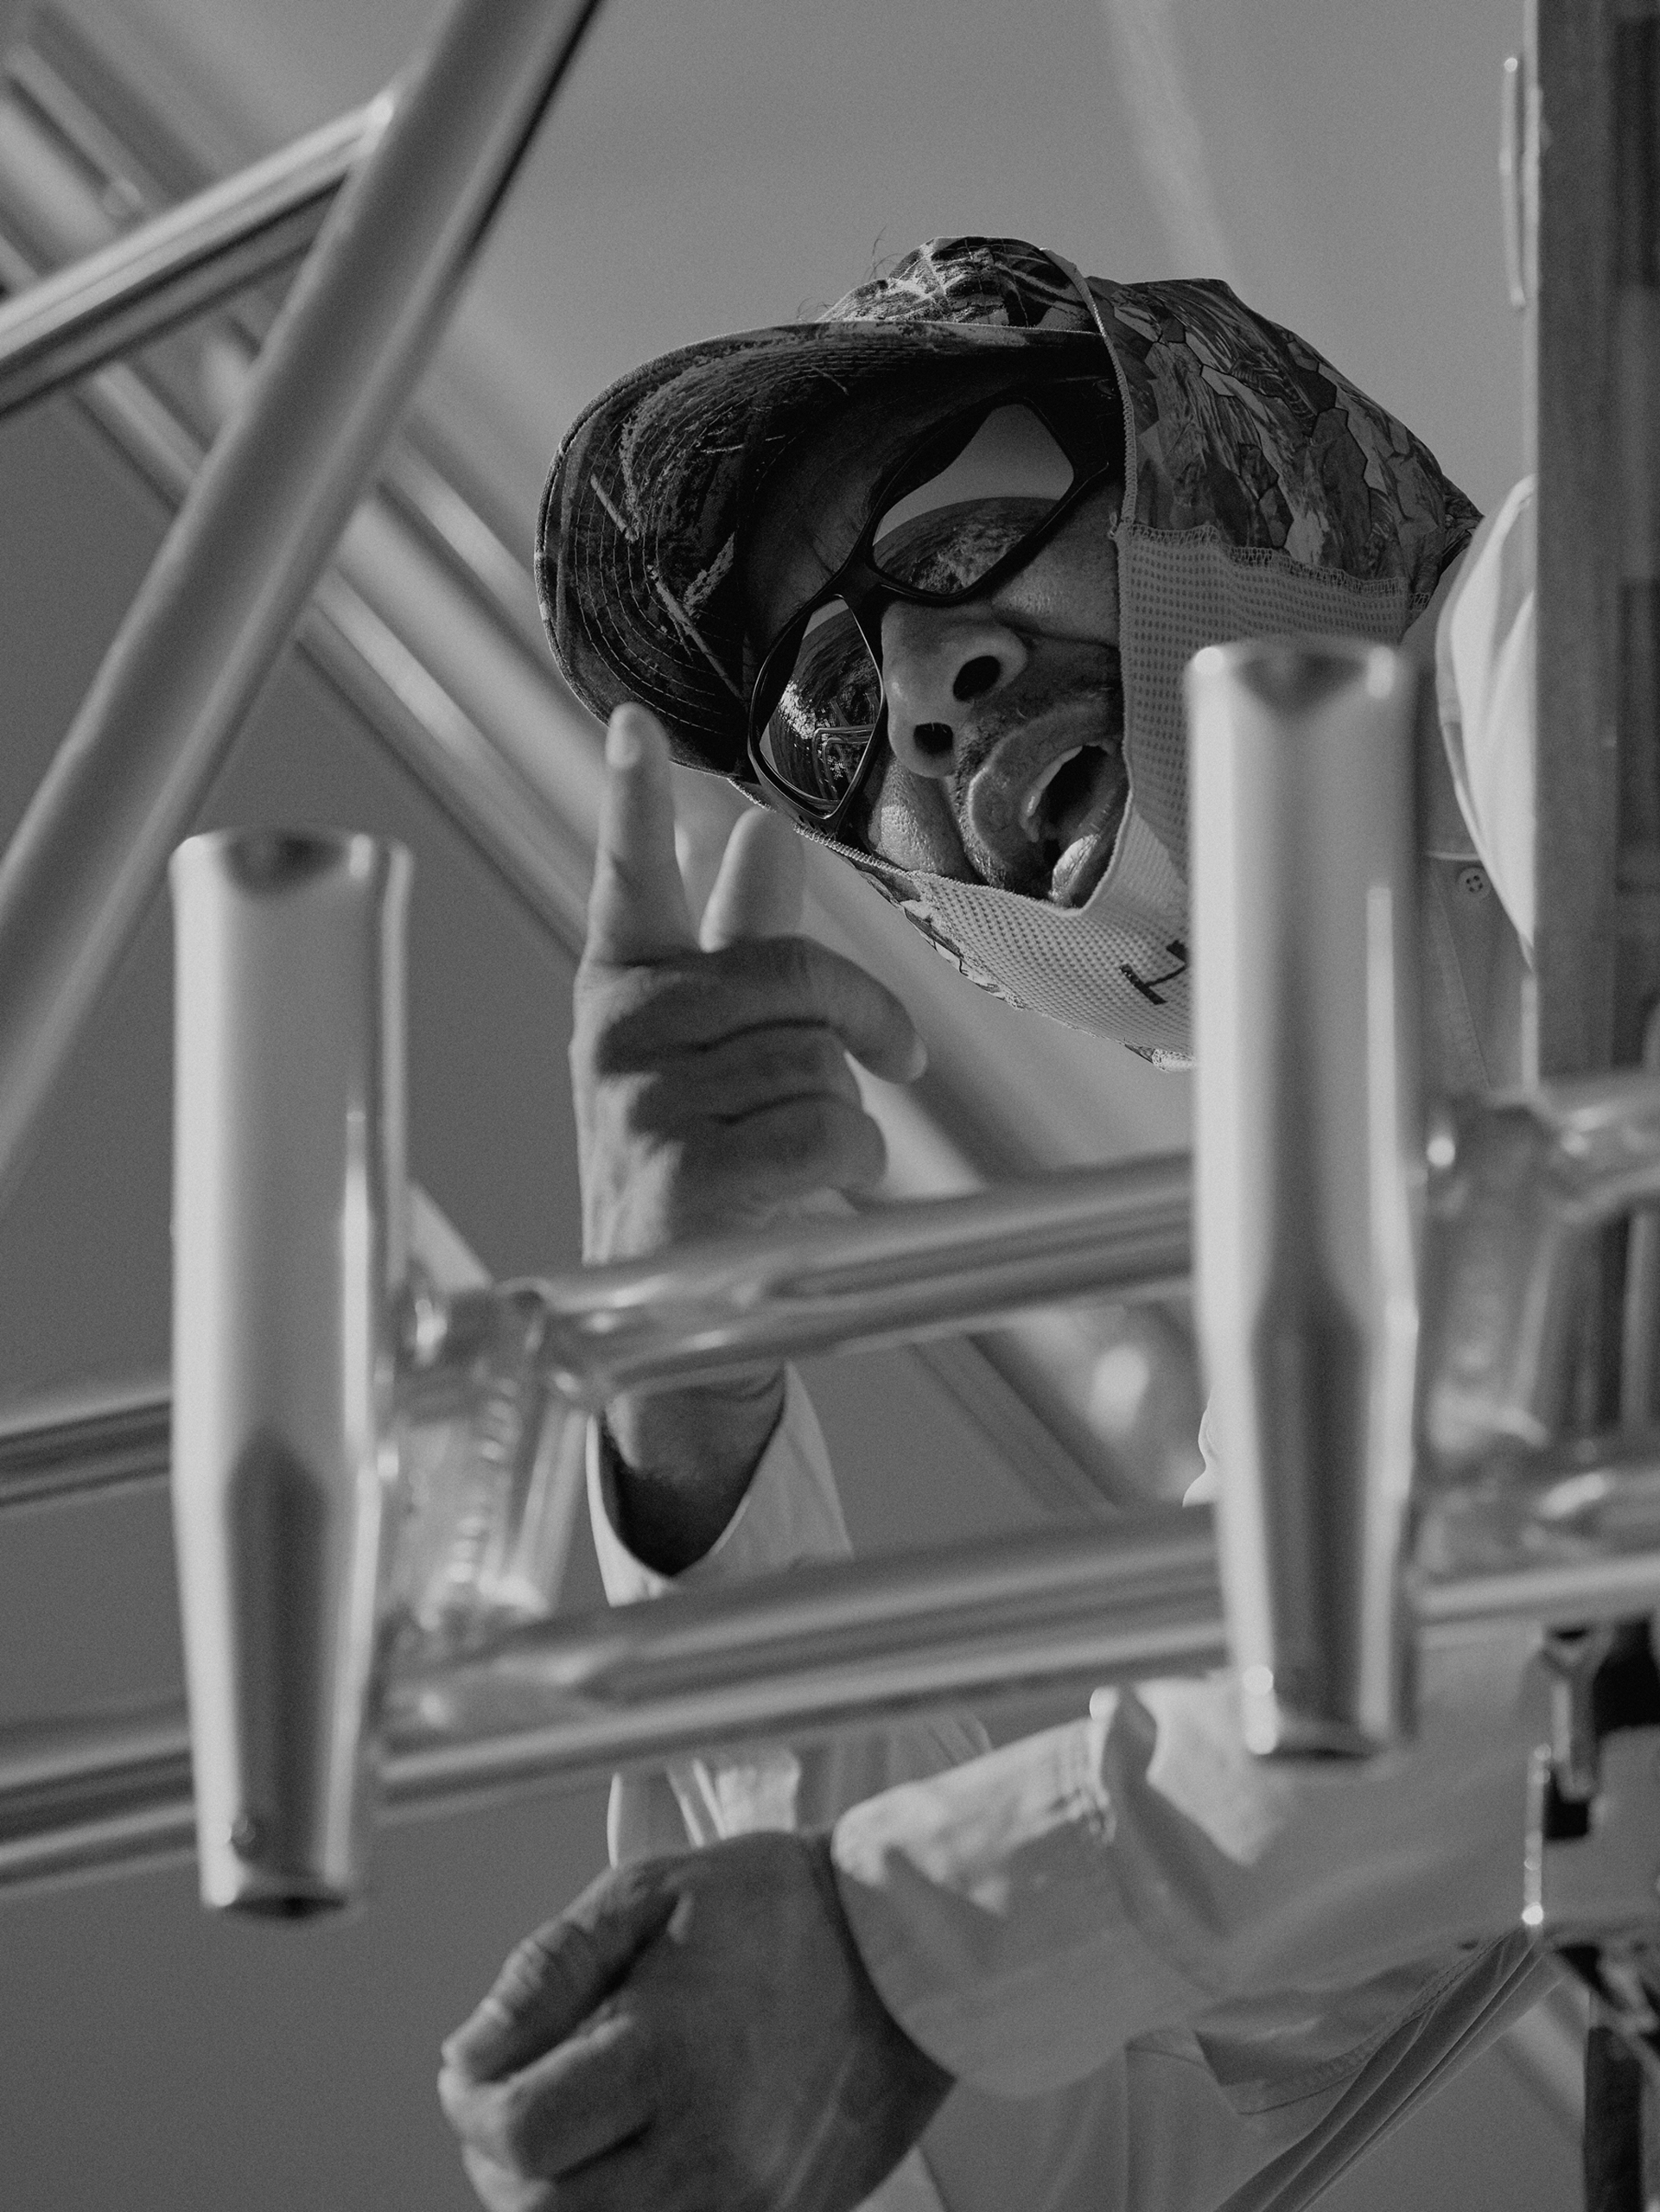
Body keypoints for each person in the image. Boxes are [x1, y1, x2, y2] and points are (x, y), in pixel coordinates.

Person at [436, 237, 1549, 2212]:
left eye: (953, 534)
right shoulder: (1323, 1272)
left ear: (1203, 444)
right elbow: (1085, 2140)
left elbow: (1565, 1542)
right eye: (824, 711)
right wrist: (685, 1403)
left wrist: (901, 1949)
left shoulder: (1563, 617)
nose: (919, 689)